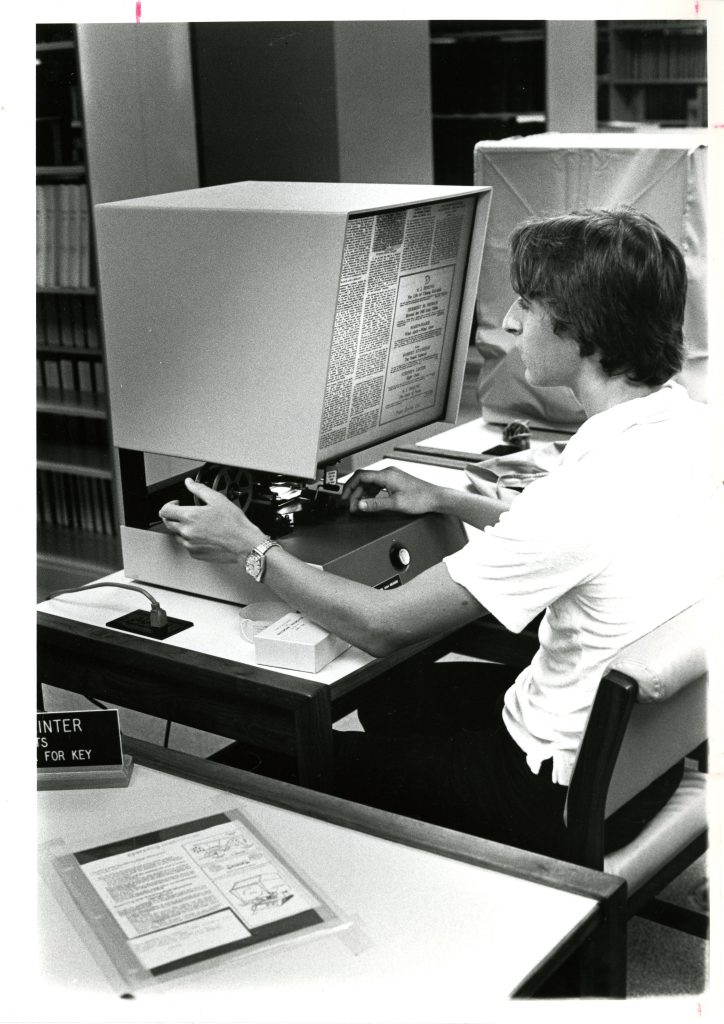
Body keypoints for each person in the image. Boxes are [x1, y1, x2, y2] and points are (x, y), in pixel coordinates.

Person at [159, 206, 721, 860]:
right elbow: (598, 538)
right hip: (640, 760)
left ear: (585, 331)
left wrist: (250, 549)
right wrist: (444, 497)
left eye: (530, 304)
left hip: (550, 793)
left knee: (283, 754)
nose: (511, 322)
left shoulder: (583, 494)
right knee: (394, 696)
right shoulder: (687, 426)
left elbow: (383, 623)